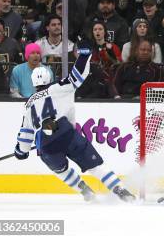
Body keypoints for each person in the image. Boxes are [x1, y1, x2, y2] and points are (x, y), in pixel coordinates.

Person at [13, 49, 136, 202]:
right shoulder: (59, 87)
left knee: (61, 170)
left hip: (46, 144)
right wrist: (84, 55)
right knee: (95, 167)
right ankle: (121, 191)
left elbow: (26, 134)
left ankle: (85, 191)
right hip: (66, 133)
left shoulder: (29, 103)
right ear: (50, 77)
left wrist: (21, 151)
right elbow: (77, 75)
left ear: (34, 83)